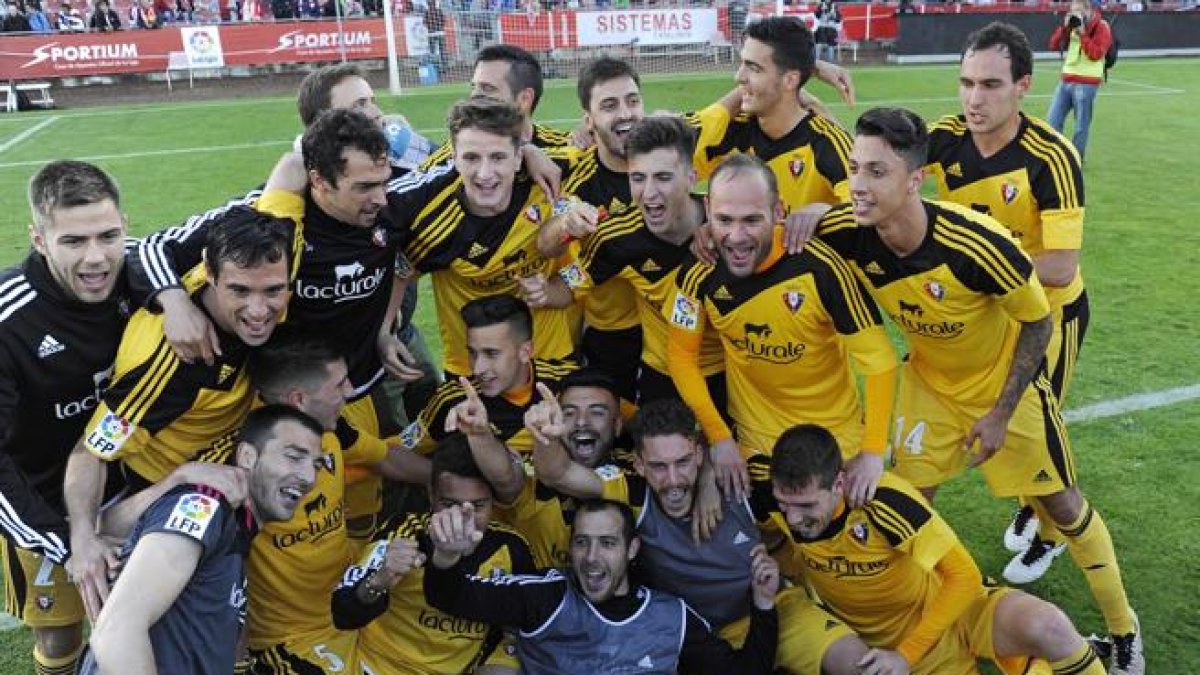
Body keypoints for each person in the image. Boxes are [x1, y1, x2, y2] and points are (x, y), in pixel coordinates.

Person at [816, 107, 1142, 675]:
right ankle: (930, 632)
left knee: (1061, 504)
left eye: (875, 172)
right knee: (908, 513)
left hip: (999, 388)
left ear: (915, 180)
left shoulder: (978, 245)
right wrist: (804, 214)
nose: (858, 186)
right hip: (927, 387)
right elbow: (769, 225)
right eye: (853, 169)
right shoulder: (850, 231)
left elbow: (1039, 323)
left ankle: (1123, 631)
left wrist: (1000, 413)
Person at [63, 207, 293, 623]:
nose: (260, 311)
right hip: (173, 493)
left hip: (227, 460)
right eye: (240, 291)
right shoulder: (170, 365)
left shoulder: (260, 251)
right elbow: (91, 452)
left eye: (274, 291)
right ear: (209, 274)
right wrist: (82, 539)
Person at [530, 398, 872, 675]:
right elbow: (557, 473)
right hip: (688, 635)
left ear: (698, 454)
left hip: (770, 607)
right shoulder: (633, 495)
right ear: (639, 464)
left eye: (683, 462)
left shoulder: (741, 486)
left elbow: (812, 495)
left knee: (858, 664)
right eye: (659, 467)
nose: (673, 479)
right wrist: (545, 436)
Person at [928, 22, 1089, 584]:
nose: (975, 99)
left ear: (1023, 85)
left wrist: (976, 266)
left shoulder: (1052, 157)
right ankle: (1031, 504)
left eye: (991, 85)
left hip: (1052, 314)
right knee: (1007, 425)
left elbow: (1062, 265)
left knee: (1038, 430)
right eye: (966, 82)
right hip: (994, 313)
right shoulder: (945, 138)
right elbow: (881, 169)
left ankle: (1049, 536)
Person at [768, 423, 1110, 675]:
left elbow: (964, 576)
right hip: (904, 645)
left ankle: (1040, 659)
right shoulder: (770, 505)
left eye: (807, 506)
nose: (794, 518)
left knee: (1050, 625)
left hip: (956, 610)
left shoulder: (883, 500)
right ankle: (1032, 665)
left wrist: (905, 655)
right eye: (785, 505)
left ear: (839, 484)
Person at [667, 153, 899, 505]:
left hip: (834, 441)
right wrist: (720, 439)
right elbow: (681, 355)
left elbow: (880, 360)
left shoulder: (821, 268)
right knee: (761, 546)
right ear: (707, 210)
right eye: (724, 219)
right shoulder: (699, 271)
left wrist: (871, 451)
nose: (736, 236)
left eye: (751, 220)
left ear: (778, 212)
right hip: (752, 445)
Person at [0, 161, 129, 675]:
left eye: (109, 235)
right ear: (39, 238)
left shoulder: (141, 274)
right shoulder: (9, 321)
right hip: (42, 506)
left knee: (142, 616)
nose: (97, 258)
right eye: (73, 242)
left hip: (129, 491)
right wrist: (65, 539)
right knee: (59, 639)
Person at [82, 405, 323, 675]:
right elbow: (116, 631)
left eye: (317, 465)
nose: (309, 477)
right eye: (293, 457)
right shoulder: (204, 507)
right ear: (246, 456)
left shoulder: (234, 533)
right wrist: (177, 479)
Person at [243, 328, 430, 674]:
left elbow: (384, 458)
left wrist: (450, 480)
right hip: (293, 638)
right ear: (298, 399)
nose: (351, 392)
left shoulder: (330, 431)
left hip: (358, 605)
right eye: (340, 384)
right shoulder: (244, 465)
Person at [425, 498, 782, 674]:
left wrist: (764, 604)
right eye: (582, 542)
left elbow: (744, 672)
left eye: (608, 543)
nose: (592, 557)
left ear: (632, 549)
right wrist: (445, 556)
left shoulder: (672, 617)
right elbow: (453, 596)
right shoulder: (547, 596)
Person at [388, 98, 582, 378]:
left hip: (550, 358)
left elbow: (615, 158)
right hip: (473, 370)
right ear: (453, 157)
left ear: (519, 157)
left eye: (498, 157)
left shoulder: (555, 176)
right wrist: (384, 331)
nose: (485, 173)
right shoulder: (434, 216)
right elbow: (403, 270)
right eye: (471, 158)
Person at [545, 116, 727, 408]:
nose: (649, 192)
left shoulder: (728, 226)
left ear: (692, 177)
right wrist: (535, 290)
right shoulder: (615, 238)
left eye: (663, 178)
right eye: (638, 178)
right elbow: (566, 287)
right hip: (662, 376)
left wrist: (816, 215)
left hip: (732, 375)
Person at [331, 435, 537, 674]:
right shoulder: (403, 534)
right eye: (450, 504)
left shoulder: (512, 549)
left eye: (478, 506)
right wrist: (381, 579)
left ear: (494, 503)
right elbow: (343, 613)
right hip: (378, 667)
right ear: (431, 494)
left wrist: (500, 663)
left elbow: (520, 628)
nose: (462, 519)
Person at [534, 56, 646, 405]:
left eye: (632, 100)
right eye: (609, 105)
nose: (626, 113)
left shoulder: (668, 153)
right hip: (613, 334)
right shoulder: (579, 178)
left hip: (677, 330)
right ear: (589, 120)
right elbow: (547, 243)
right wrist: (566, 225)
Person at [690, 16, 853, 223]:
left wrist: (822, 213)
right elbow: (669, 148)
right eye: (742, 63)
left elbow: (866, 211)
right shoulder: (733, 130)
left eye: (754, 67)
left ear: (790, 80)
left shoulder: (827, 142)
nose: (738, 77)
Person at [402, 294, 576, 463]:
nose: (478, 369)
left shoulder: (571, 383)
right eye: (472, 352)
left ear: (526, 351)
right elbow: (397, 451)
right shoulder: (452, 401)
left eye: (491, 353)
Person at [1047, 0, 1113, 160]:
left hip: (1087, 82)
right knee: (1052, 121)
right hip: (1066, 79)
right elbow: (1052, 45)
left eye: (1078, 11)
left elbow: (1096, 53)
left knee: (1080, 126)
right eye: (1072, 10)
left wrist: (1083, 34)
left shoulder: (1101, 26)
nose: (1075, 14)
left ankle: (1075, 159)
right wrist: (1064, 28)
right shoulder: (1071, 25)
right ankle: (1054, 156)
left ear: (1088, 10)